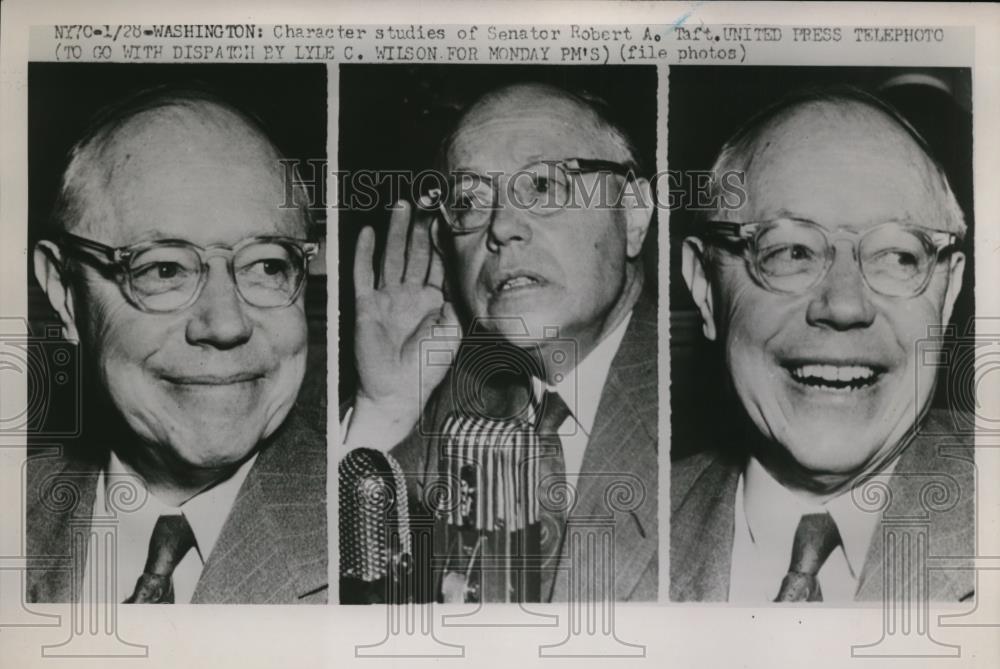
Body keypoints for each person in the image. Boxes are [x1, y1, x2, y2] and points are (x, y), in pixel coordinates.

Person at [343, 82, 657, 602]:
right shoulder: (446, 403)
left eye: (542, 186)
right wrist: (386, 409)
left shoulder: (704, 414)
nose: (503, 226)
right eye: (469, 200)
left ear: (634, 213)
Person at [671, 87, 974, 603]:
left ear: (947, 297)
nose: (843, 305)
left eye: (898, 256)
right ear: (704, 287)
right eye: (790, 251)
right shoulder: (622, 521)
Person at [27, 88, 327, 604]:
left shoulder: (378, 527)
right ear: (64, 291)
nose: (225, 323)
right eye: (163, 268)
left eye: (267, 265)